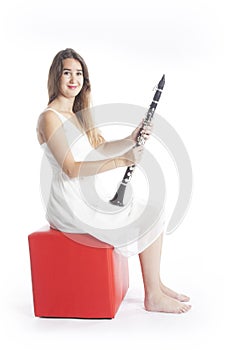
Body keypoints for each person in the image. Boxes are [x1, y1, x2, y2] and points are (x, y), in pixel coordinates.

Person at [37, 48, 191, 313]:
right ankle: (152, 295)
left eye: (79, 74)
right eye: (67, 73)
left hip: (84, 199)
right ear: (56, 77)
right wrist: (123, 161)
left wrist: (130, 140)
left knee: (153, 209)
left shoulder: (75, 115)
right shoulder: (49, 117)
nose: (74, 80)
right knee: (148, 214)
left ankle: (156, 284)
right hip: (69, 205)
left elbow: (97, 148)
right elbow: (71, 169)